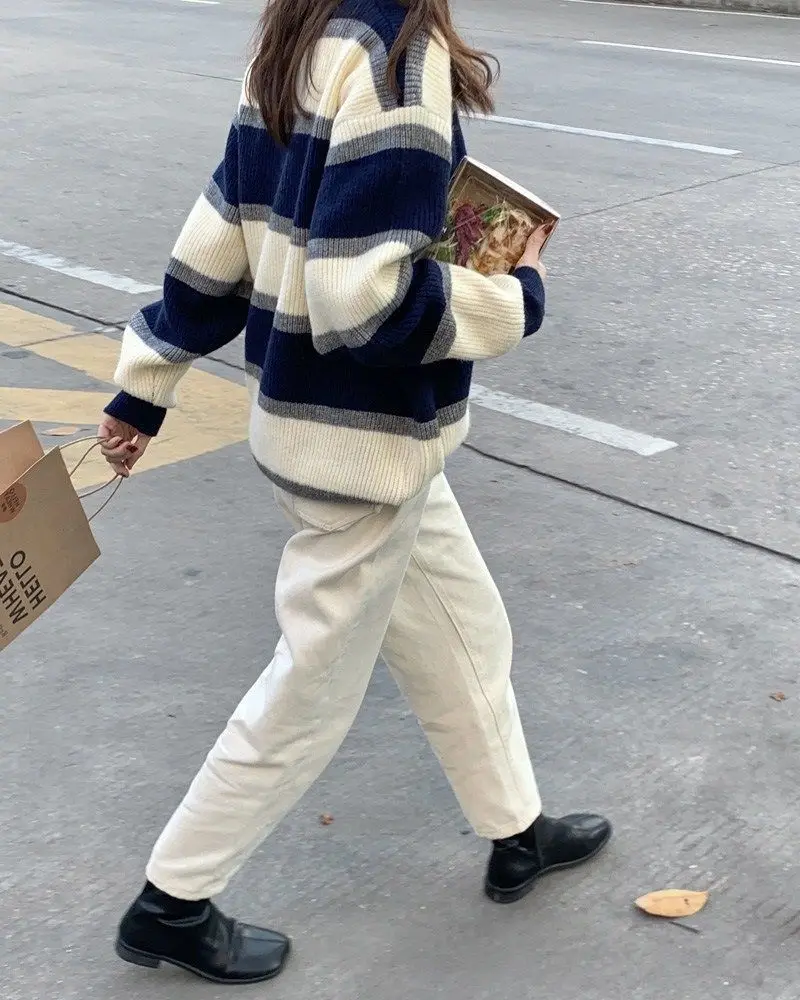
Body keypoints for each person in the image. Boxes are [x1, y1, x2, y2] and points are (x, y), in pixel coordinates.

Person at [99, 0, 611, 986]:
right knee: (311, 691)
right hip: (363, 447)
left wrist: (146, 380)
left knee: (464, 628)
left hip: (340, 435)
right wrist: (514, 297)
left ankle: (516, 830)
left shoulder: (305, 32)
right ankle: (172, 900)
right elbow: (363, 299)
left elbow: (222, 229)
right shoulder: (398, 55)